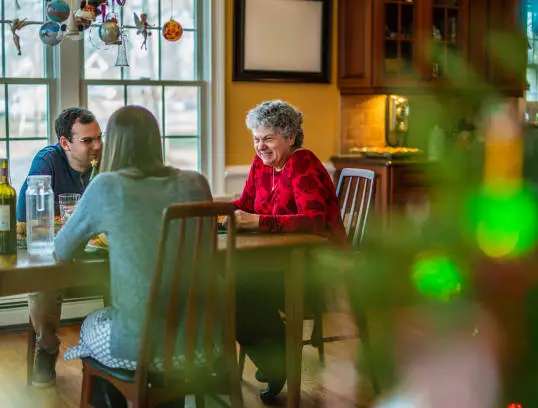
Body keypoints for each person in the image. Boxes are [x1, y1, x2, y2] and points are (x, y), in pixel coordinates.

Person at [56, 105, 213, 408]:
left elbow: (62, 250)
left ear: (112, 143)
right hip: (205, 338)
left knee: (88, 327)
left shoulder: (106, 185)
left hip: (140, 344)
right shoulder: (196, 182)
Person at [231, 100, 347, 402]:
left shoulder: (302, 162)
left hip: (315, 267)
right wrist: (214, 212)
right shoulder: (262, 165)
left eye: (268, 138)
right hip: (278, 263)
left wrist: (261, 222)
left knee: (237, 289)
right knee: (228, 285)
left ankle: (277, 357)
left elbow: (314, 219)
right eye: (257, 139)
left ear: (290, 137)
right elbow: (243, 204)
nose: (260, 146)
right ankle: (276, 356)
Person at [20, 107, 102, 388]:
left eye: (98, 138)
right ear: (65, 143)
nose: (97, 146)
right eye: (88, 141)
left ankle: (114, 353)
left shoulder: (105, 164)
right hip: (61, 255)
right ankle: (47, 348)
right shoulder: (48, 162)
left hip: (101, 255)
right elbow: (24, 217)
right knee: (43, 280)